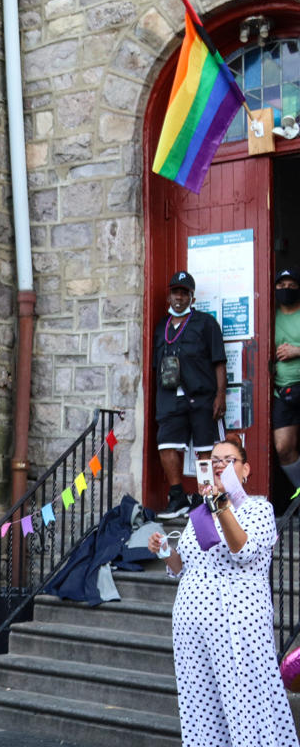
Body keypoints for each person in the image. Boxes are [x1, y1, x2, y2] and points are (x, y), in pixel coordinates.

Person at [148, 436, 300, 747]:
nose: (218, 464)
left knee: (245, 703)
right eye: (213, 460)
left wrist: (220, 506)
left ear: (245, 471)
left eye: (228, 460)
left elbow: (242, 551)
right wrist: (165, 550)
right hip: (192, 628)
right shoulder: (199, 513)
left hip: (237, 624)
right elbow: (185, 567)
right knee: (201, 707)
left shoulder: (259, 509)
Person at [152, 271, 227, 519]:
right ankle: (177, 498)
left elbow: (219, 361)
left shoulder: (206, 323)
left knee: (205, 450)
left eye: (185, 293)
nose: (179, 297)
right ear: (169, 296)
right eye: (176, 292)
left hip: (201, 396)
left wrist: (220, 396)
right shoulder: (161, 326)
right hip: (169, 397)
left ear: (192, 298)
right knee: (166, 444)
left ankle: (204, 498)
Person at [274, 268, 300, 490]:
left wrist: (297, 351)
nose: (286, 290)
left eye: (292, 286)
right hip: (282, 391)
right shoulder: (268, 315)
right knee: (283, 448)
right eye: (281, 286)